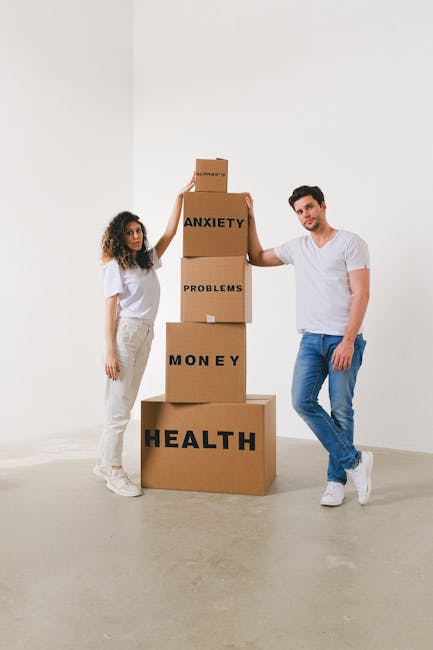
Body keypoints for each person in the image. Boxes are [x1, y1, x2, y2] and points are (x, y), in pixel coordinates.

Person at [246, 185, 373, 507]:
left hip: (342, 340)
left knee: (341, 409)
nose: (306, 215)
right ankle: (355, 461)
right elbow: (257, 257)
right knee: (301, 400)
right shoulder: (297, 247)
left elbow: (362, 294)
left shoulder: (351, 242)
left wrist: (347, 341)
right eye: (300, 211)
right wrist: (250, 217)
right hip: (310, 340)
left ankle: (335, 482)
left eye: (310, 207)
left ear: (323, 206)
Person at [94, 173, 195, 497]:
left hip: (145, 334)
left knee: (121, 402)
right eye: (130, 232)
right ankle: (114, 471)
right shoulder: (115, 267)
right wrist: (109, 351)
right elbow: (109, 310)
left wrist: (179, 195)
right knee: (119, 408)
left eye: (138, 231)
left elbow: (169, 233)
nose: (136, 236)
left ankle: (102, 462)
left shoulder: (146, 260)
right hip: (124, 336)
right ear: (119, 236)